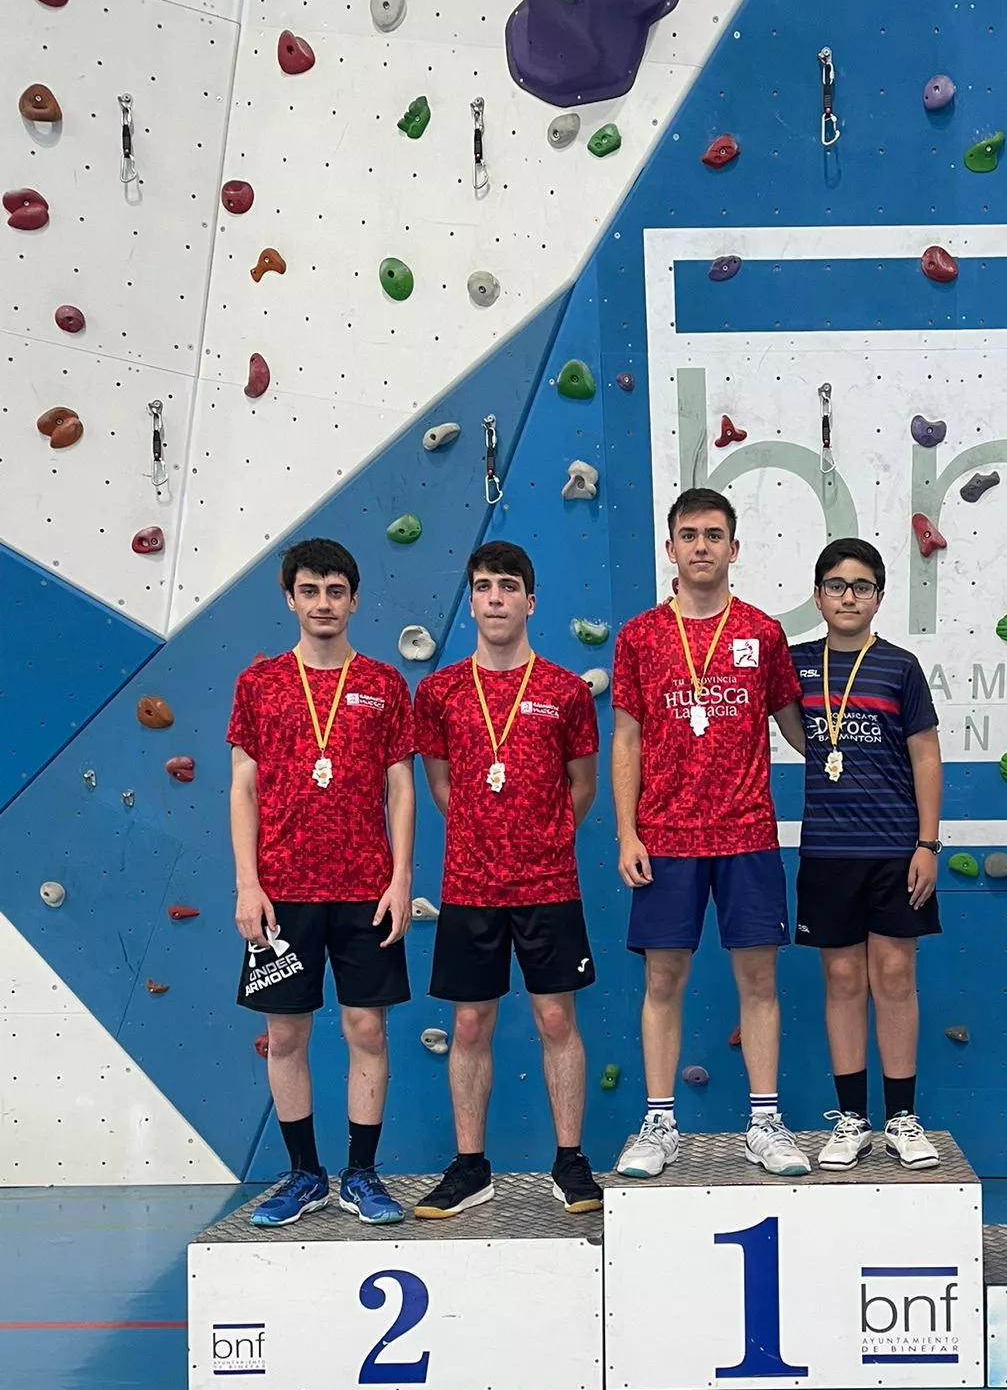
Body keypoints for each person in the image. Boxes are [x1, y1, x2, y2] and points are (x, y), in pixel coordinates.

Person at [610, 487, 809, 1178]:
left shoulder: (762, 632)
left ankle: (764, 1121)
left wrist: (861, 752)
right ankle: (659, 1123)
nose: (701, 546)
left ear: (734, 547)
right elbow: (627, 739)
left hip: (747, 831)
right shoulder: (640, 635)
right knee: (663, 979)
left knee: (759, 979)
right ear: (671, 548)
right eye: (689, 534)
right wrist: (626, 834)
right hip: (665, 837)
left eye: (714, 534)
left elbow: (796, 725)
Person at [411, 542, 603, 1219]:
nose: (494, 597)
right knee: (469, 1026)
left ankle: (570, 1162)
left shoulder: (565, 691)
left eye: (507, 586)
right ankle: (471, 1168)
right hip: (468, 886)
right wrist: (481, 834)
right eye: (484, 586)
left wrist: (542, 835)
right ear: (471, 601)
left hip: (549, 883)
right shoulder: (438, 692)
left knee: (556, 1017)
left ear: (531, 601)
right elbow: (439, 782)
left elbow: (582, 786)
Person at [228, 538, 415, 1227]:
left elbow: (401, 788)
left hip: (366, 888)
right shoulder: (261, 684)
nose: (324, 603)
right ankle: (304, 1173)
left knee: (367, 1027)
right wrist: (248, 884)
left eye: (336, 591)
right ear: (290, 598)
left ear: (355, 599)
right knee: (286, 1036)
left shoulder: (385, 684)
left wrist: (400, 879)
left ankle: (361, 1175)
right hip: (282, 893)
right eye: (310, 591)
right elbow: (242, 787)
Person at [792, 537, 944, 1169]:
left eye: (861, 586)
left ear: (879, 597)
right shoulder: (797, 665)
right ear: (819, 595)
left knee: (894, 977)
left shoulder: (900, 667)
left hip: (894, 849)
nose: (847, 596)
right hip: (829, 852)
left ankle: (902, 1118)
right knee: (843, 978)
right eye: (836, 585)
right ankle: (852, 1119)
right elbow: (797, 731)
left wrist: (928, 843)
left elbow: (926, 755)